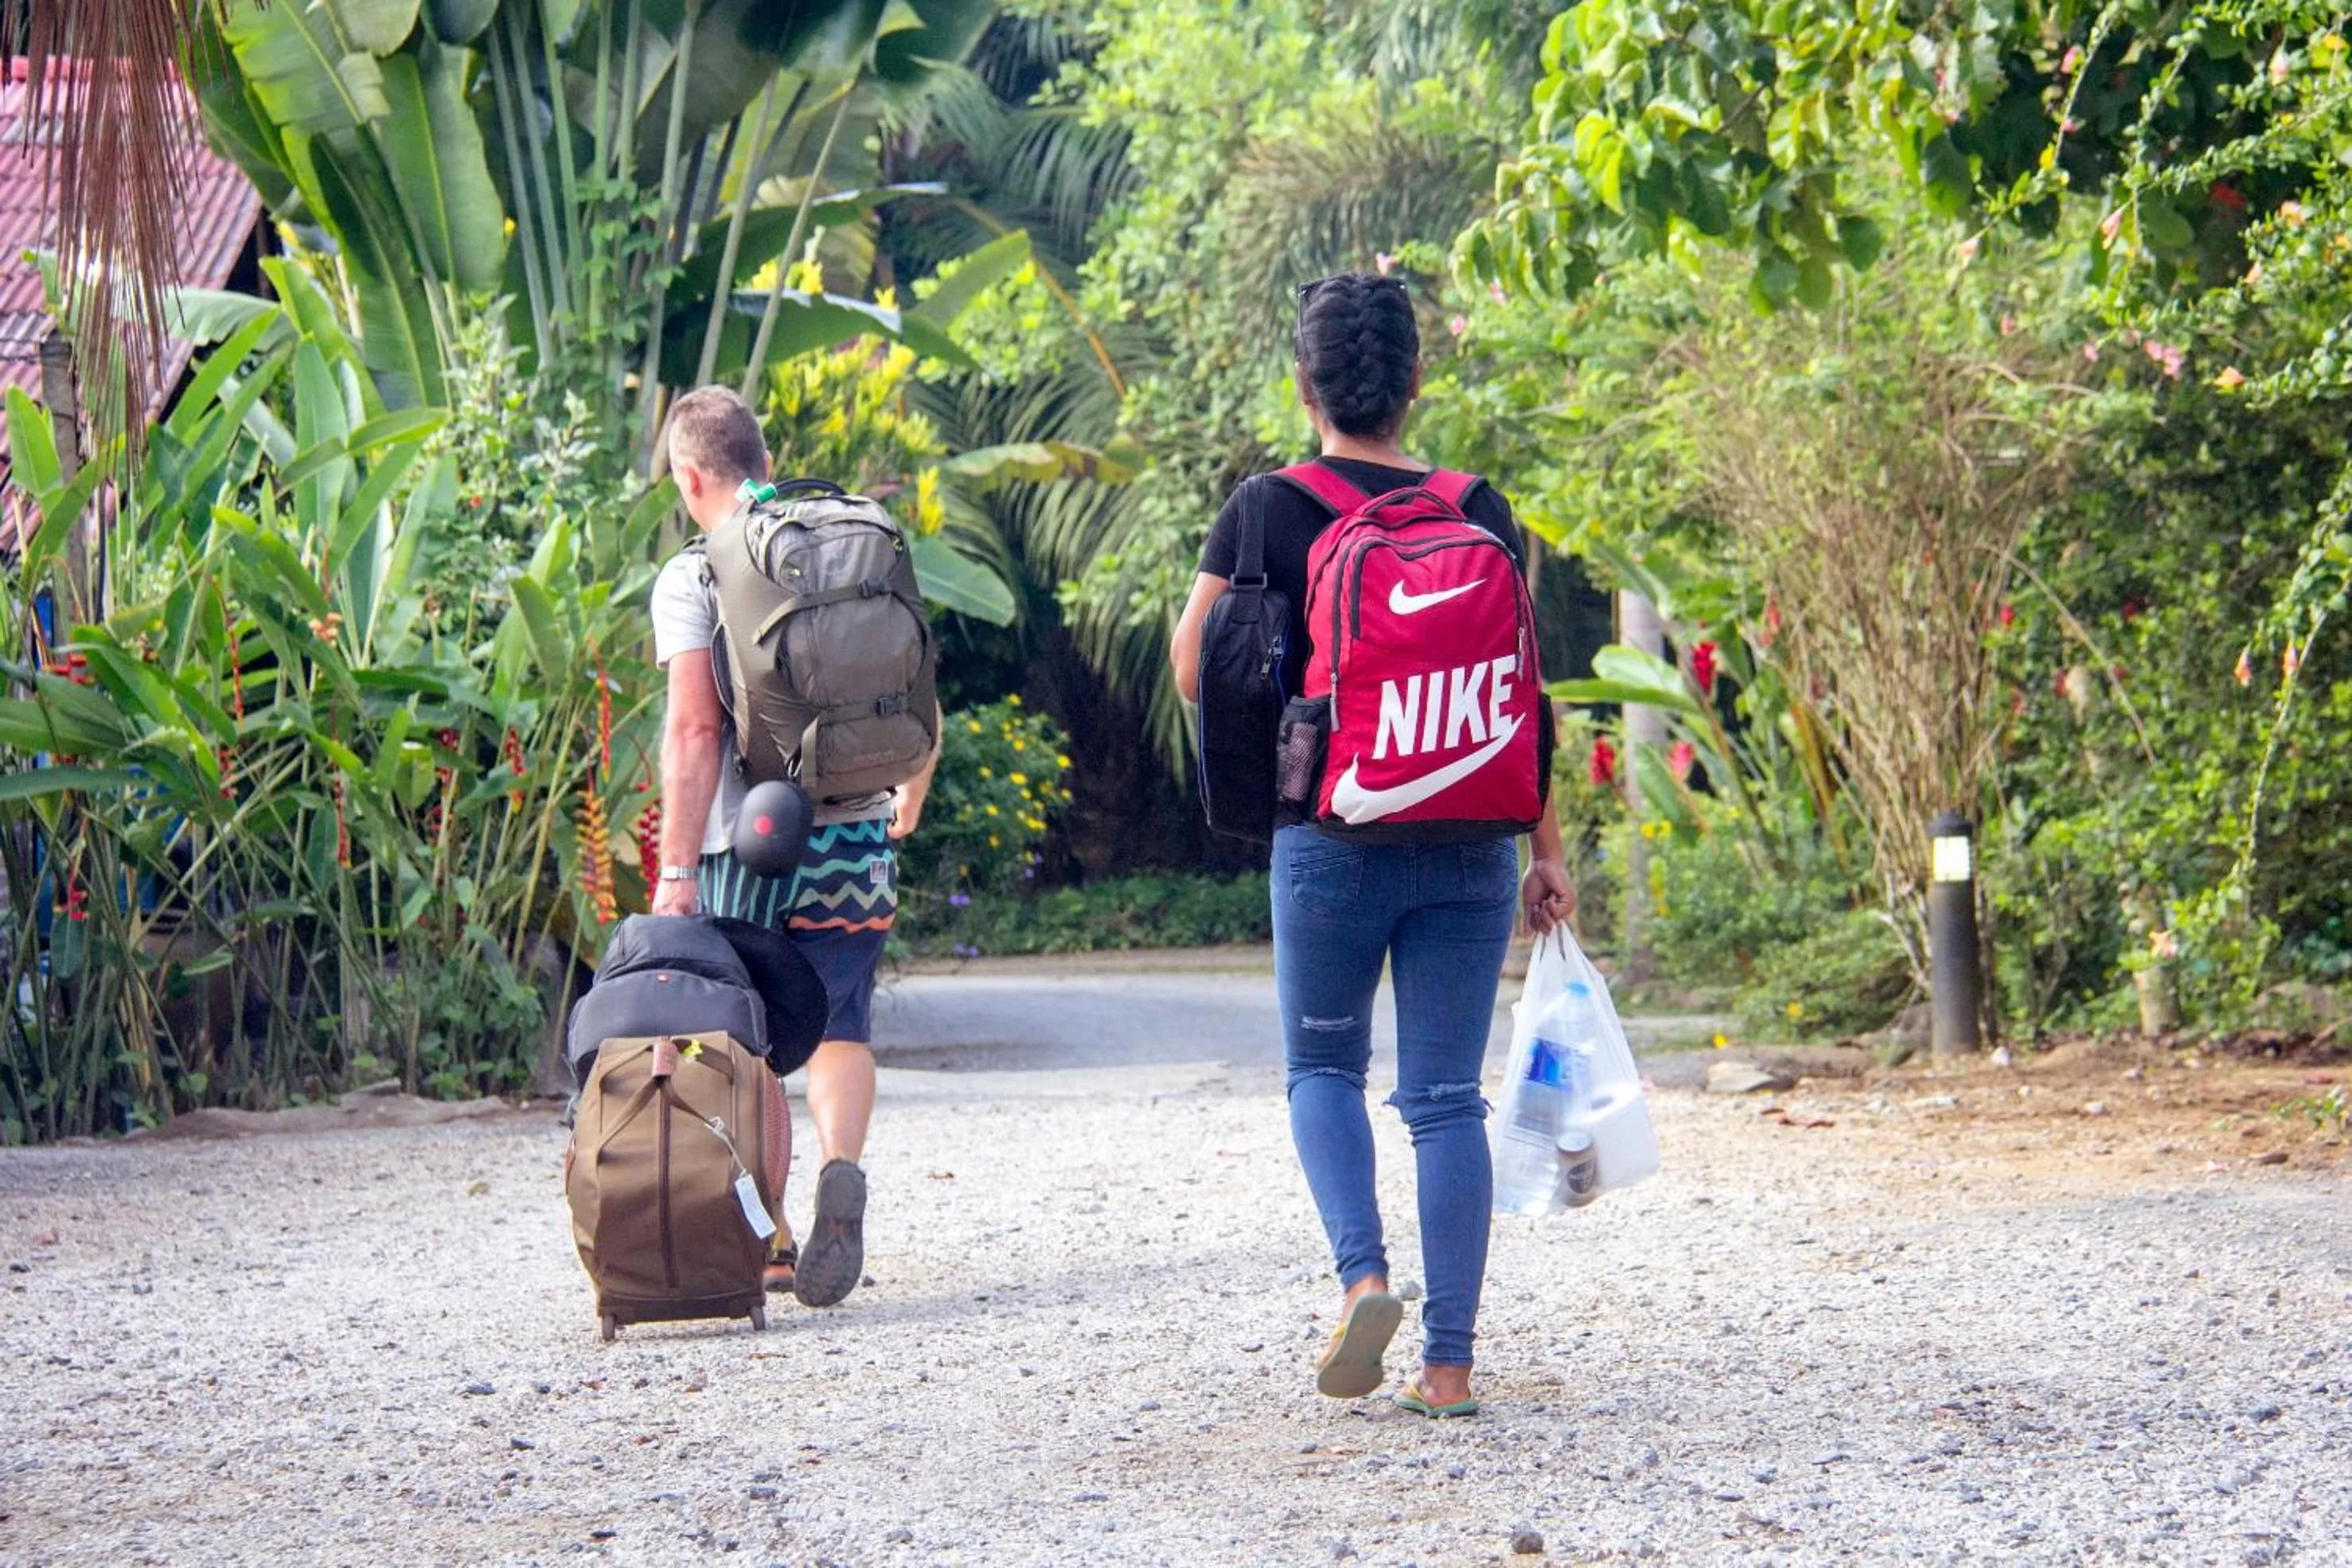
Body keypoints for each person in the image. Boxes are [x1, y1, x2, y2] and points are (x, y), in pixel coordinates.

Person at [1169, 273, 1575, 1418]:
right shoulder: (1476, 505)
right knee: (1445, 1098)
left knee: (1322, 1069)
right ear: (1413, 383)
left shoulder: (1265, 507)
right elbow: (1520, 695)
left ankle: (1361, 1277)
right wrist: (1545, 850)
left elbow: (1196, 670)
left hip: (1330, 838)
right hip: (1472, 839)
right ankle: (1447, 1368)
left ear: (1304, 385)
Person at [647, 385, 937, 1309]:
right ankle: (840, 1170)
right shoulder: (851, 543)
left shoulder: (696, 571)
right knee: (842, 1023)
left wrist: (677, 871)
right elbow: (914, 682)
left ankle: (769, 1232)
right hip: (856, 822)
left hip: (750, 843)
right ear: (766, 461)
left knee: (749, 1039)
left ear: (692, 476)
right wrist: (907, 791)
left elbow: (696, 731)